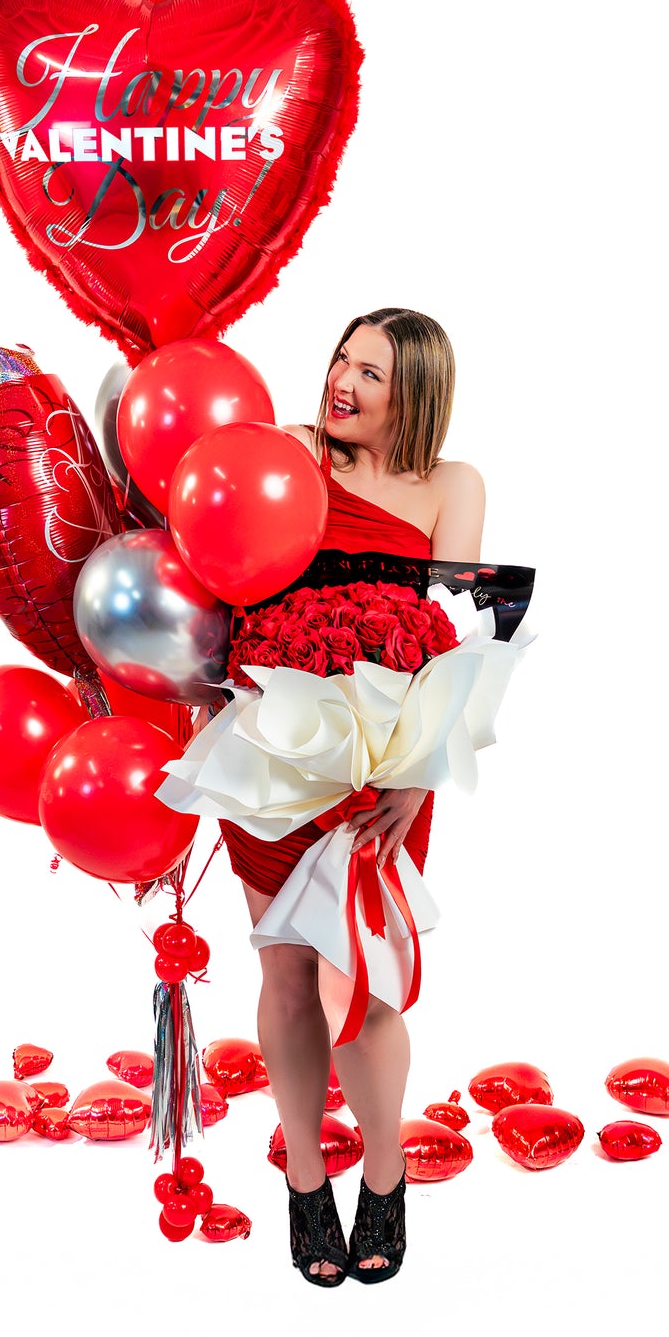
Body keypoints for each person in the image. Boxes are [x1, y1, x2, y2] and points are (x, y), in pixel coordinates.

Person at [219, 307, 485, 1286]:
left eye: (369, 372)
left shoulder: (451, 487)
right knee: (288, 968)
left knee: (368, 983)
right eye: (339, 357)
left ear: (411, 392)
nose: (341, 380)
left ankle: (383, 1172)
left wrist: (416, 777)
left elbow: (456, 636)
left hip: (385, 770)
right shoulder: (292, 452)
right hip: (273, 754)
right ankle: (300, 1177)